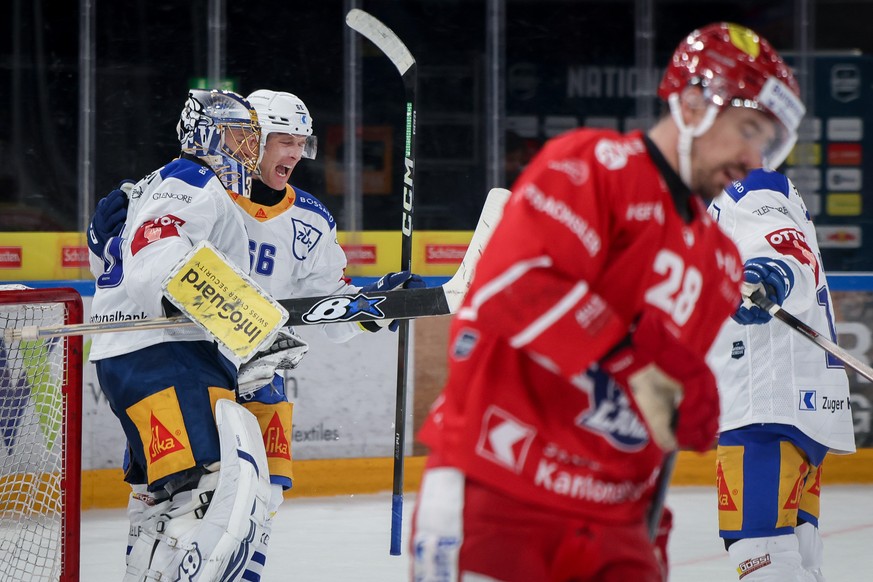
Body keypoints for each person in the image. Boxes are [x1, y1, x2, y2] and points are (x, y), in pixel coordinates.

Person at [412, 22, 804, 582]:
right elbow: (512, 288)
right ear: (692, 105)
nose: (753, 157)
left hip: (615, 523)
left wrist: (675, 412)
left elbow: (643, 397)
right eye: (747, 130)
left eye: (767, 141)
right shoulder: (591, 165)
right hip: (499, 493)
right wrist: (632, 352)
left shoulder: (719, 264)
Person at [89, 88, 425, 581]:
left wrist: (376, 305)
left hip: (255, 365)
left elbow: (328, 299)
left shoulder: (309, 218)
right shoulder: (198, 182)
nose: (293, 152)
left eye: (302, 142)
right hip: (191, 353)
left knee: (256, 498)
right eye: (281, 138)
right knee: (191, 494)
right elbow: (137, 266)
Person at [87, 88, 275, 581]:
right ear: (205, 135)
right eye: (237, 136)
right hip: (167, 355)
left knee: (160, 496)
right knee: (199, 492)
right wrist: (246, 324)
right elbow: (156, 258)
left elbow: (114, 256)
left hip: (134, 357)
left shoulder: (158, 184)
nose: (247, 149)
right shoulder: (192, 178)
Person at [706, 168, 856, 581]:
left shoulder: (741, 188)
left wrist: (769, 274)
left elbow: (788, 251)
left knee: (760, 554)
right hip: (793, 403)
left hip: (767, 400)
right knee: (799, 552)